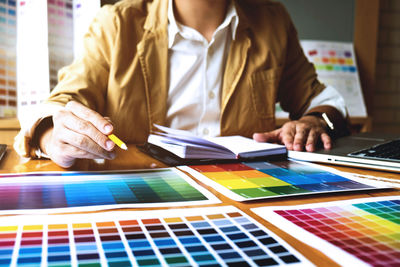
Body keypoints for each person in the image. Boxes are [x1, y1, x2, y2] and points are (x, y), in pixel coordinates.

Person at [14, 0, 349, 168]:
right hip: (139, 195)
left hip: (240, 199)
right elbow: (60, 104)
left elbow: (322, 99)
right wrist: (51, 134)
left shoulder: (272, 23)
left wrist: (314, 120)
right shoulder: (116, 24)